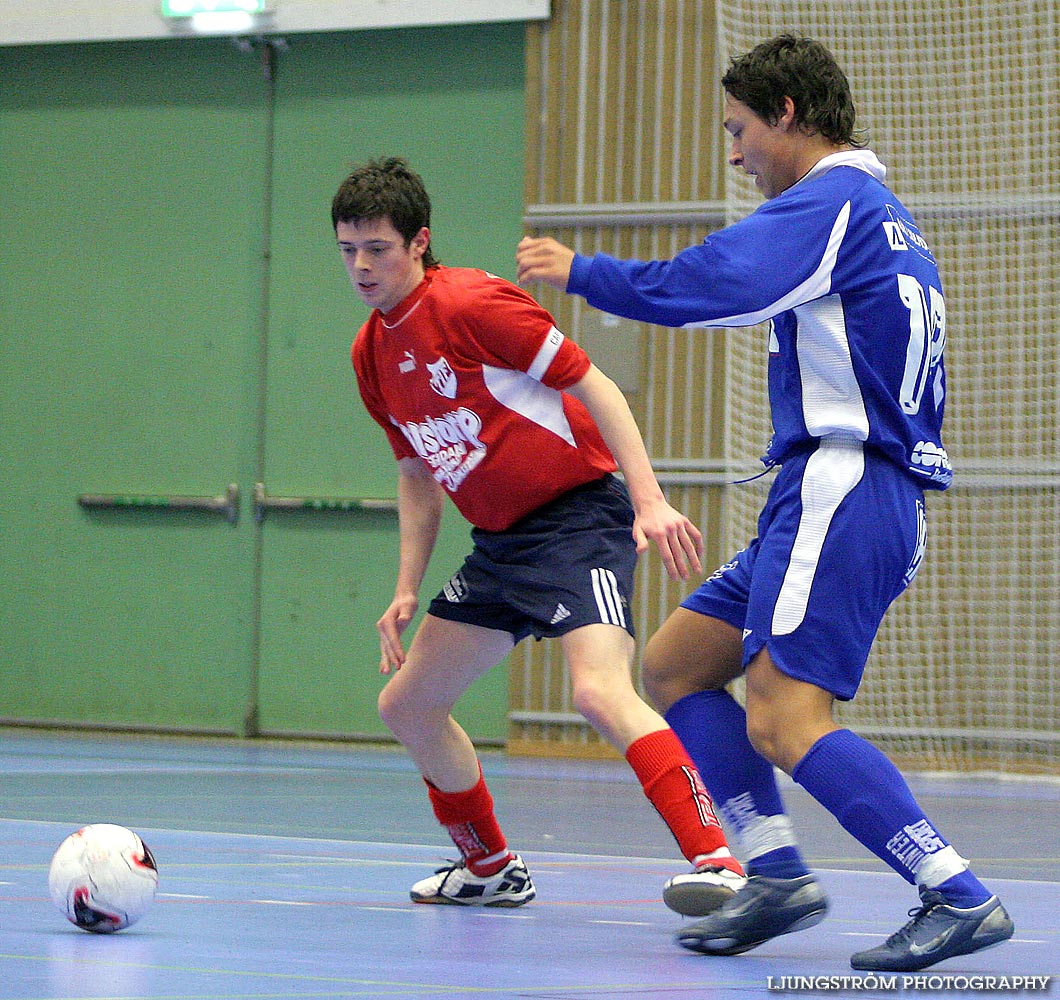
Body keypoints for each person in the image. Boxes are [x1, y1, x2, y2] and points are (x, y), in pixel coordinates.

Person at [515, 34, 1013, 973]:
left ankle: (955, 890)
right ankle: (778, 876)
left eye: (740, 130)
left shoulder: (836, 201)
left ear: (787, 115)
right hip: (832, 490)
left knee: (783, 719)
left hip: (847, 485)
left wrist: (586, 274)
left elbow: (718, 285)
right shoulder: (886, 216)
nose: (734, 153)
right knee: (672, 669)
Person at [331, 156, 745, 912]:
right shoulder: (370, 355)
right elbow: (420, 476)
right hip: (500, 547)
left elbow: (595, 383)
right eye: (348, 249)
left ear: (419, 241)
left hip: (578, 519)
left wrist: (648, 499)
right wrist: (403, 588)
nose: (361, 266)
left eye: (377, 249)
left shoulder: (475, 304)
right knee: (407, 705)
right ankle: (488, 868)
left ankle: (718, 861)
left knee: (596, 690)